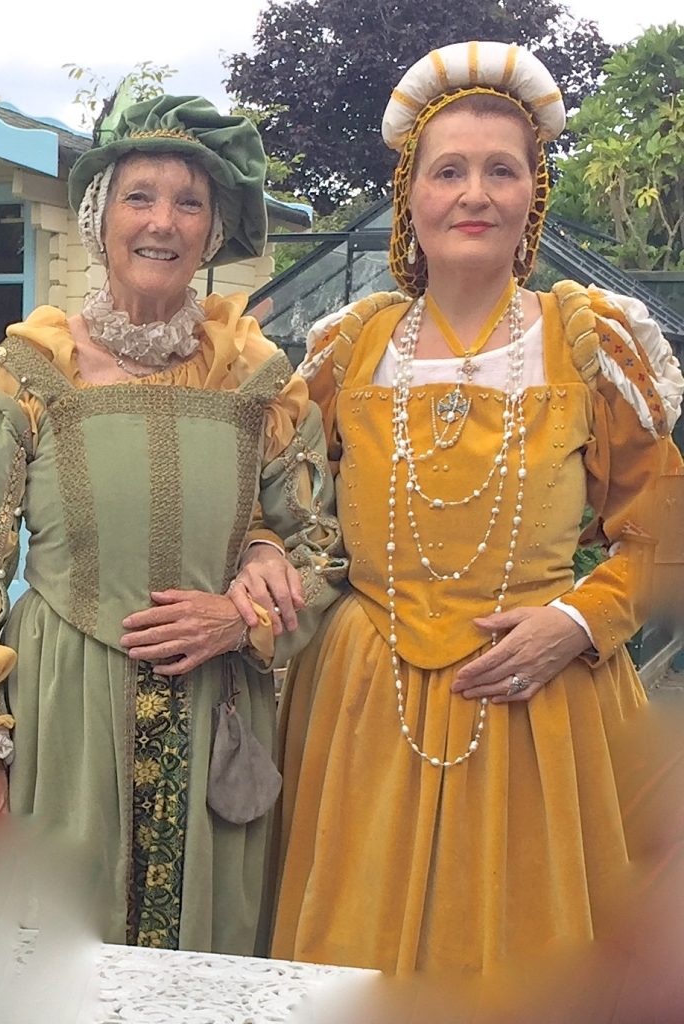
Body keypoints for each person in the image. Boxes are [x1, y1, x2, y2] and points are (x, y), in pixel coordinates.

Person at [271, 41, 684, 973]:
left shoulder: (589, 346)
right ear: (410, 194)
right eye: (448, 170)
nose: (475, 195)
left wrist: (577, 621)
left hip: (542, 710)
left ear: (533, 194)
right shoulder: (349, 352)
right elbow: (287, 512)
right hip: (366, 704)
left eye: (502, 171)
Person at [0, 91, 345, 955]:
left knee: (210, 961)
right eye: (139, 196)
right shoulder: (31, 372)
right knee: (56, 955)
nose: (162, 222)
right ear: (98, 216)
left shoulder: (256, 379)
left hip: (216, 712)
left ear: (212, 230)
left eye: (190, 202)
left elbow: (323, 548)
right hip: (64, 713)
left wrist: (243, 614)